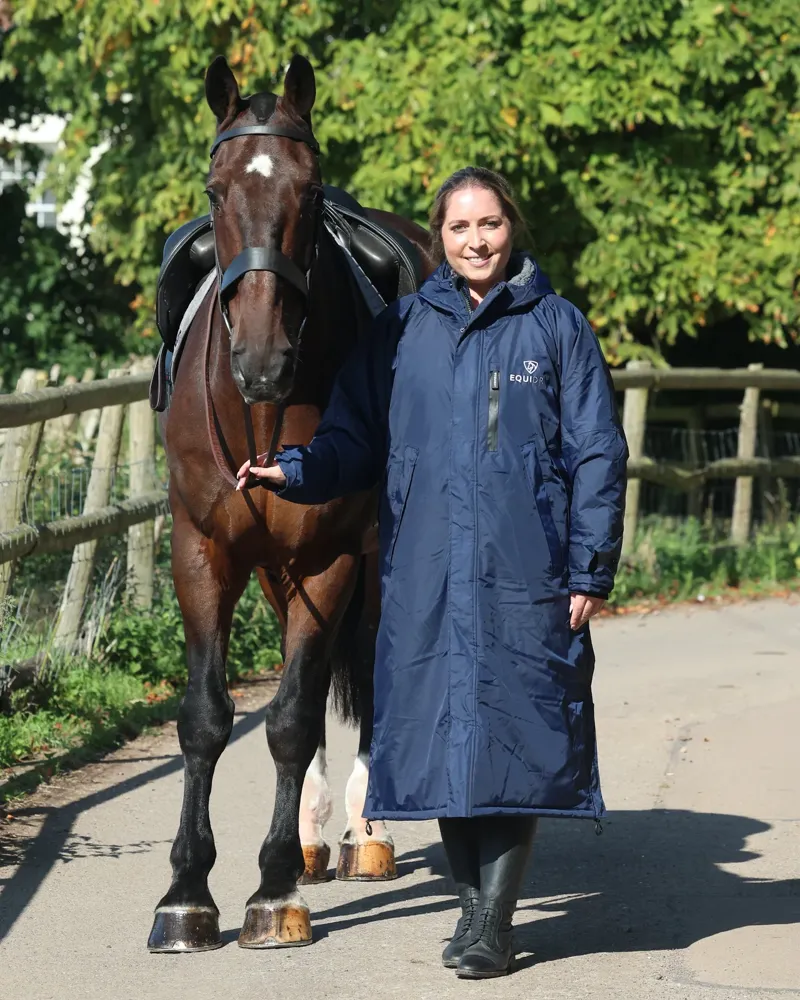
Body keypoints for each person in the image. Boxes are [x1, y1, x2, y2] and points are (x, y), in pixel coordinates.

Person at [237, 167, 628, 979]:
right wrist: (296, 473)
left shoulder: (558, 328)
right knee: (441, 744)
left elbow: (598, 452)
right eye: (459, 229)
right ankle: (474, 909)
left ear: (510, 229)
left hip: (533, 572)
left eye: (489, 225)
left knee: (517, 739)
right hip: (427, 574)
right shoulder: (400, 331)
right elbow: (352, 439)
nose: (477, 241)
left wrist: (591, 565)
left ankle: (492, 920)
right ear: (440, 239)